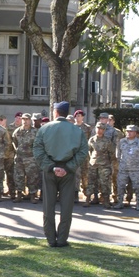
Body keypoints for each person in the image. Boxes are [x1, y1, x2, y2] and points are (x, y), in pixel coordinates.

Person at [33, 101, 86, 247]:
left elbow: (37, 150)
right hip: (68, 170)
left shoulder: (44, 129)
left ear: (55, 112)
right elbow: (82, 152)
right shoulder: (77, 130)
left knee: (48, 206)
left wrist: (51, 167)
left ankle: (50, 238)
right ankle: (62, 239)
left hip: (50, 169)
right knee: (67, 206)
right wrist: (68, 167)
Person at [113, 125, 139, 210]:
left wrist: (135, 162)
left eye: (131, 131)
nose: (129, 133)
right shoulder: (121, 142)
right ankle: (120, 203)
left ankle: (138, 204)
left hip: (136, 169)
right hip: (123, 168)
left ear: (135, 133)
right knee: (120, 186)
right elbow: (118, 154)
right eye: (127, 131)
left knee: (138, 187)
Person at [12, 113, 40, 203]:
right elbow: (14, 142)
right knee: (18, 177)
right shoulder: (17, 131)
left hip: (30, 158)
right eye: (23, 119)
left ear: (30, 120)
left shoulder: (35, 132)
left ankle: (32, 195)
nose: (25, 121)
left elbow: (38, 145)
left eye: (27, 119)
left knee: (32, 177)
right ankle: (19, 195)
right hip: (19, 158)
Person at [86, 122, 113, 207]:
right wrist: (92, 159)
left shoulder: (107, 141)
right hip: (93, 164)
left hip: (104, 164)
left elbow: (111, 153)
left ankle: (106, 200)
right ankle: (88, 199)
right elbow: (89, 151)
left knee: (105, 182)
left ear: (104, 130)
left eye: (101, 129)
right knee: (91, 182)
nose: (99, 130)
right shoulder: (92, 139)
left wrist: (108, 162)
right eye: (98, 128)